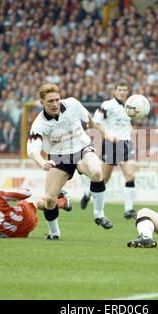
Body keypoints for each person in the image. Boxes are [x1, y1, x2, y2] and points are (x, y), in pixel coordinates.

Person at [27, 83, 112, 241]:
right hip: (59, 157)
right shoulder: (39, 124)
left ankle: (99, 214)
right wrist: (42, 163)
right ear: (42, 103)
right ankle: (54, 233)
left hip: (82, 148)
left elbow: (91, 121)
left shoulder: (72, 104)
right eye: (50, 101)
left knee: (97, 172)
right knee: (50, 199)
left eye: (56, 100)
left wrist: (105, 134)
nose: (54, 104)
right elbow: (33, 150)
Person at [80, 80, 138, 220]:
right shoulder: (107, 105)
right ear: (115, 91)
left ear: (128, 92)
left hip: (125, 144)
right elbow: (95, 121)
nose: (122, 92)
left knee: (130, 176)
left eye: (125, 90)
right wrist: (107, 135)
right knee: (104, 179)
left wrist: (131, 130)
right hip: (111, 144)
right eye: (120, 90)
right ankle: (88, 193)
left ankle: (128, 210)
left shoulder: (130, 106)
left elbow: (126, 123)